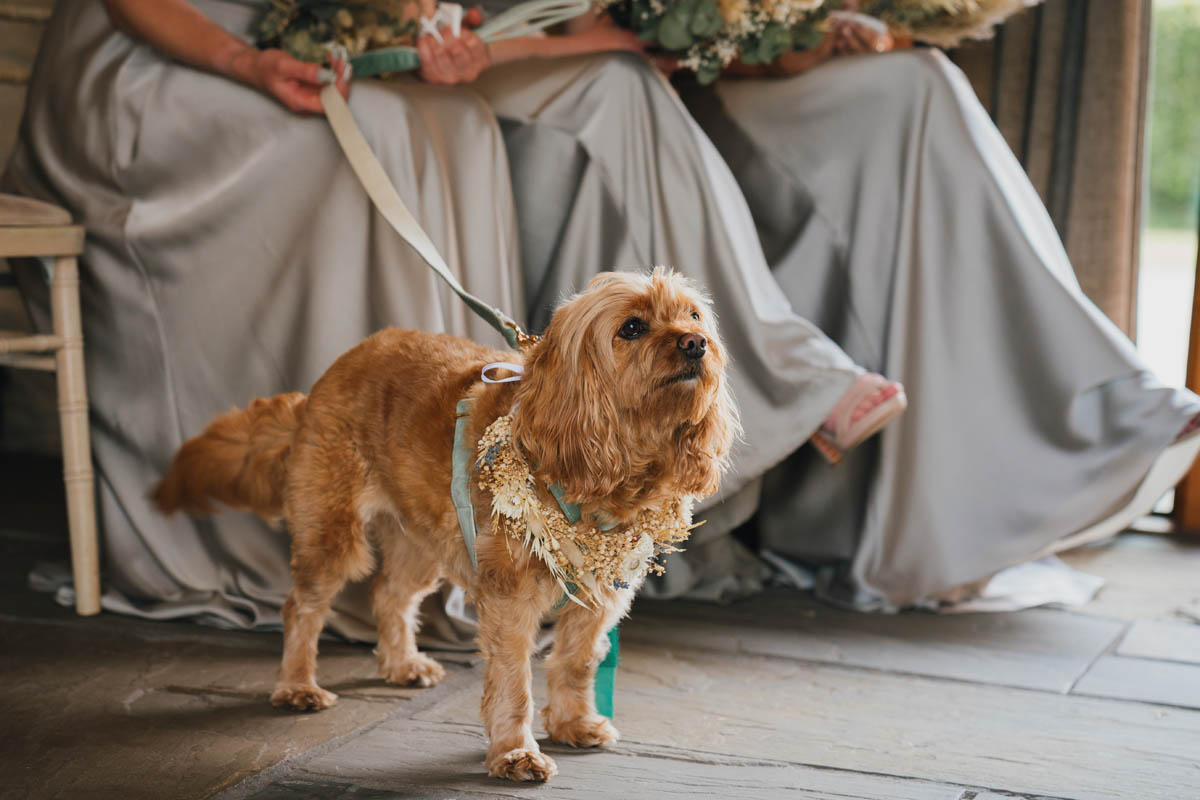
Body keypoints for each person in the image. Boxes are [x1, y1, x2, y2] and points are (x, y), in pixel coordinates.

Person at [3, 0, 901, 638]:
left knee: (500, 109)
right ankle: (430, 497)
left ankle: (490, 502)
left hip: (355, 44)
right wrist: (256, 56)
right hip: (173, 47)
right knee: (394, 130)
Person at [660, 18, 1200, 609]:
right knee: (917, 93)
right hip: (695, 93)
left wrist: (841, 31)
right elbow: (679, 33)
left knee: (924, 100)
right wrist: (785, 45)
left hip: (802, 78)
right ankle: (1083, 411)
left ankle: (1059, 418)